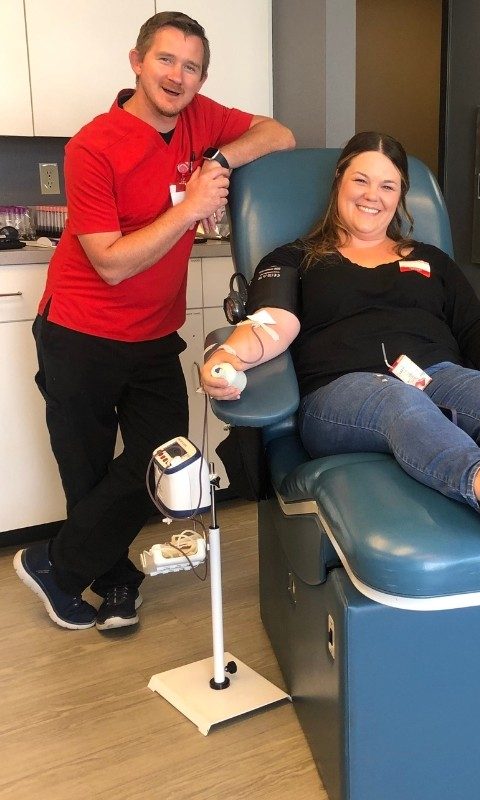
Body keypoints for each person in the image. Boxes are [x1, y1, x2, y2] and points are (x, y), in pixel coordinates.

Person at [200, 131, 480, 547]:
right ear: (339, 181)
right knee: (400, 400)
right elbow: (271, 322)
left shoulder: (430, 260)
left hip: (435, 377)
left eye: (387, 186)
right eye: (361, 179)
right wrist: (228, 355)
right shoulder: (294, 257)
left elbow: (475, 322)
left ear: (400, 197)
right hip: (342, 394)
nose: (372, 195)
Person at [14, 11, 295, 632]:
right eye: (166, 60)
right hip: (80, 333)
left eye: (191, 66)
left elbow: (279, 134)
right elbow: (110, 263)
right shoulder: (92, 146)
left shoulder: (199, 119)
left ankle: (54, 566)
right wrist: (193, 204)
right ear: (137, 61)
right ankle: (115, 583)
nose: (178, 76)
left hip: (151, 336)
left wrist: (218, 157)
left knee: (161, 460)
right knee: (88, 474)